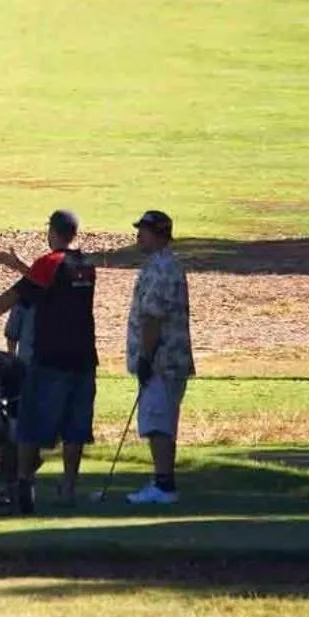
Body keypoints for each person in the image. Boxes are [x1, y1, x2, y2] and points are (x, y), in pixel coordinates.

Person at [0, 209, 98, 510]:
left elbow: (15, 296)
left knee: (30, 420)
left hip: (50, 357)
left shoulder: (49, 263)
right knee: (75, 426)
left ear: (52, 232)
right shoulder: (86, 265)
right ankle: (69, 486)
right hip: (84, 357)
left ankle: (22, 483)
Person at [125, 210, 192, 505]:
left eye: (145, 230)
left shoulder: (161, 268)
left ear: (160, 234)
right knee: (161, 421)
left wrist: (145, 357)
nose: (139, 235)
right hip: (168, 360)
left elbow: (152, 318)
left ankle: (164, 486)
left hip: (161, 361)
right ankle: (162, 480)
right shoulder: (164, 264)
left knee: (158, 423)